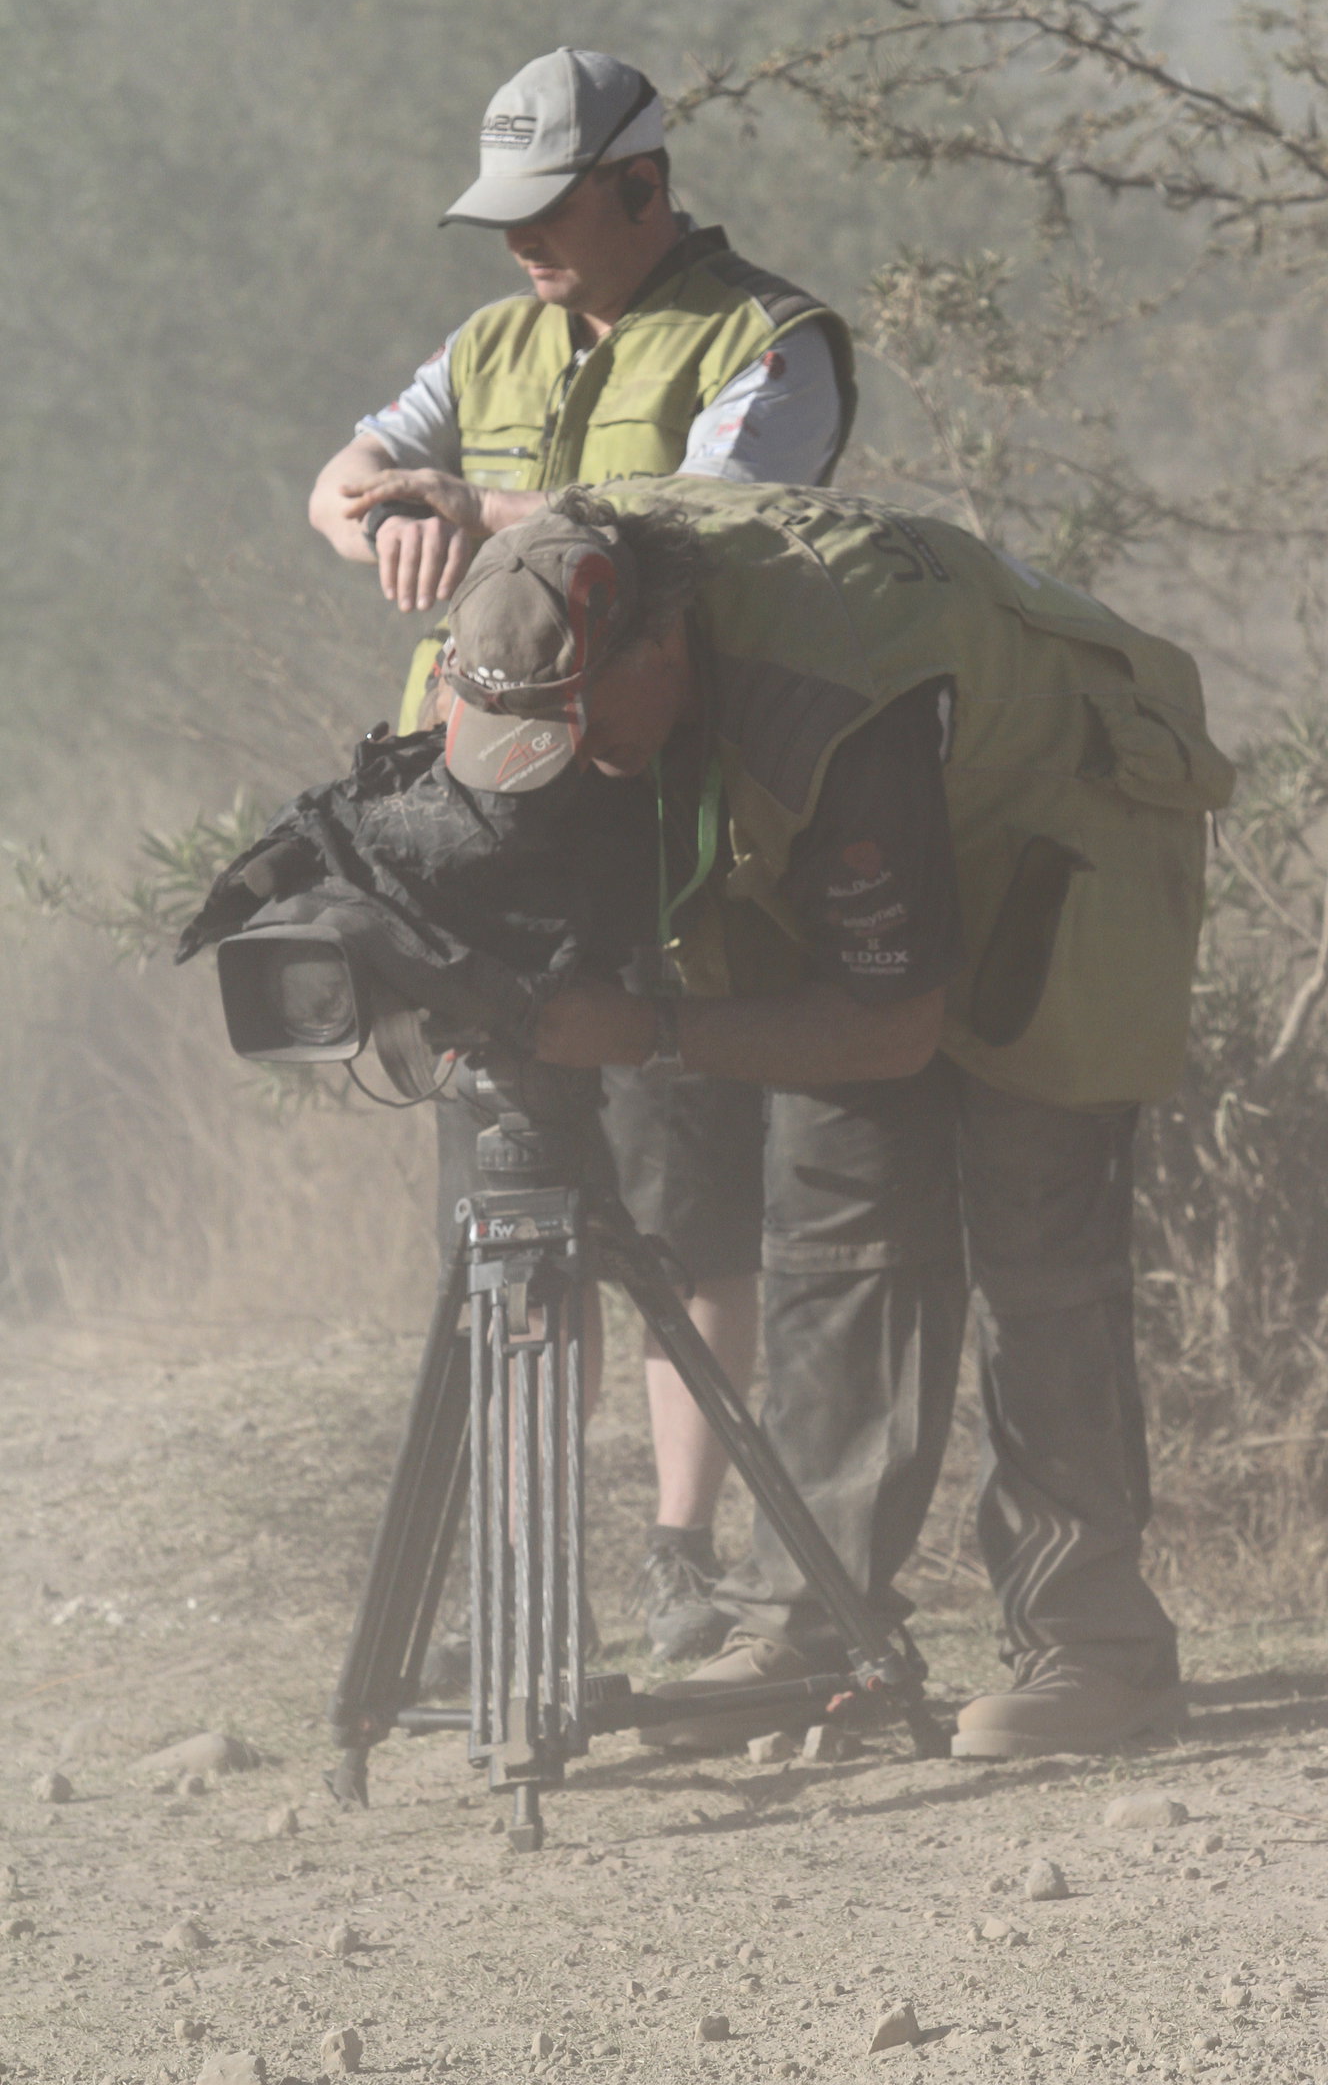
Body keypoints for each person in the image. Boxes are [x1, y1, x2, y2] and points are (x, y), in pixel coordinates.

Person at [345, 478, 1235, 1759]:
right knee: (833, 1230)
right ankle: (812, 1635)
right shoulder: (559, 605)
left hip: (1059, 819)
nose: (569, 763)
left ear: (661, 644)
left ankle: (1095, 1652)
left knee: (1038, 1244)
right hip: (859, 833)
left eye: (583, 728)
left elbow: (889, 1027)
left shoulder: (826, 706)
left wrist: (643, 1031)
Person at [307, 47, 856, 1661]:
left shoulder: (771, 336)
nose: (523, 241)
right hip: (479, 825)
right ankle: (529, 1576)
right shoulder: (487, 340)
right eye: (507, 214)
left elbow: (710, 520)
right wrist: (393, 512)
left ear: (642, 184)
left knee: (688, 1199)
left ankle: (681, 1560)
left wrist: (466, 504)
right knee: (509, 1206)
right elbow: (339, 484)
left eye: (551, 208)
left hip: (667, 811)